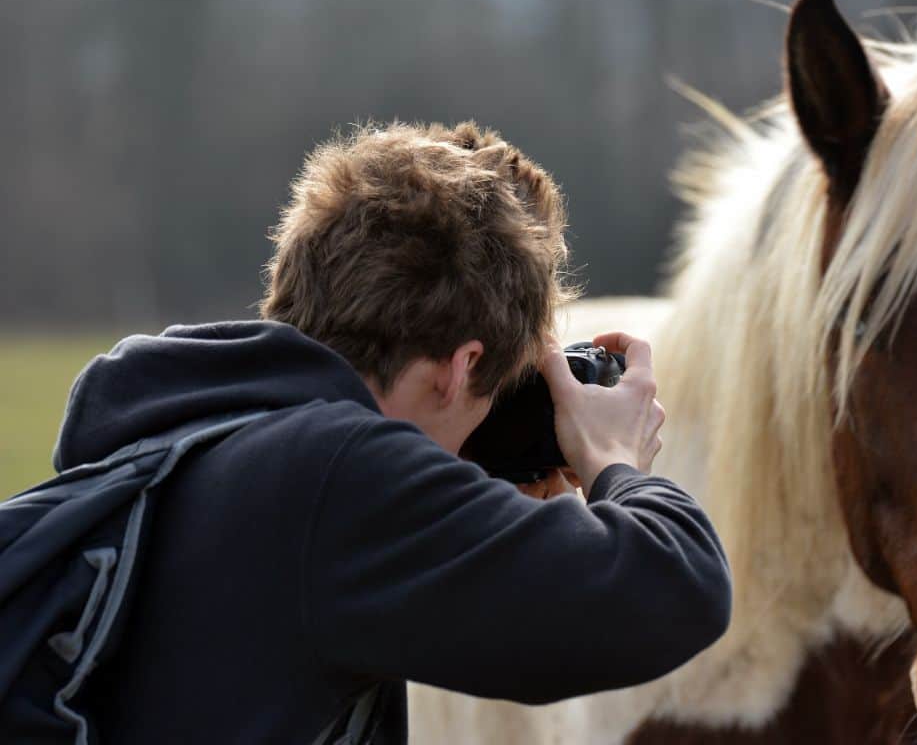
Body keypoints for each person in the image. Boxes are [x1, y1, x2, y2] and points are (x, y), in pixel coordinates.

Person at [67, 121, 732, 743]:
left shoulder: (183, 431)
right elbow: (675, 590)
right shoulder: (337, 481)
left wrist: (475, 492)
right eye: (495, 390)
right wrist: (613, 457)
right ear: (462, 367)